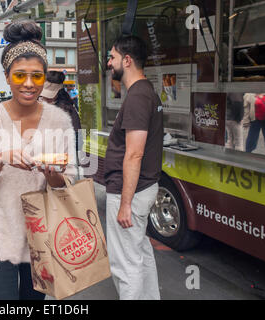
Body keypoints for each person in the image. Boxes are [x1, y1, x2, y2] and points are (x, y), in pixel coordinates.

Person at [0, 20, 76, 300]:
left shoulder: (59, 120)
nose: (28, 84)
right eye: (19, 75)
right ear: (7, 75)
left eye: (36, 76)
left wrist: (53, 176)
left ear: (44, 77)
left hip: (41, 234)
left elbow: (69, 183)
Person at [104, 35, 163, 300]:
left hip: (131, 192)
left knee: (125, 266)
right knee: (140, 255)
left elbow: (134, 154)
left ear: (126, 60)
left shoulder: (138, 96)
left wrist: (125, 203)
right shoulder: (145, 92)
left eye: (112, 57)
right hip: (143, 188)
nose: (109, 63)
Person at [40, 71, 82, 152]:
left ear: (59, 93)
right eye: (43, 96)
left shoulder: (65, 110)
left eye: (48, 97)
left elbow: (78, 142)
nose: (44, 99)